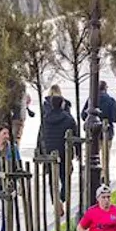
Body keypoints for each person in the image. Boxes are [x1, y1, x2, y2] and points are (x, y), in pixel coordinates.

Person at [37, 85, 79, 222]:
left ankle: (56, 202)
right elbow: (75, 136)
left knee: (51, 180)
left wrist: (39, 151)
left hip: (49, 152)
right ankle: (62, 197)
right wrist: (77, 151)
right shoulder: (68, 118)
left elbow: (41, 134)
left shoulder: (45, 117)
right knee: (65, 176)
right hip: (64, 151)